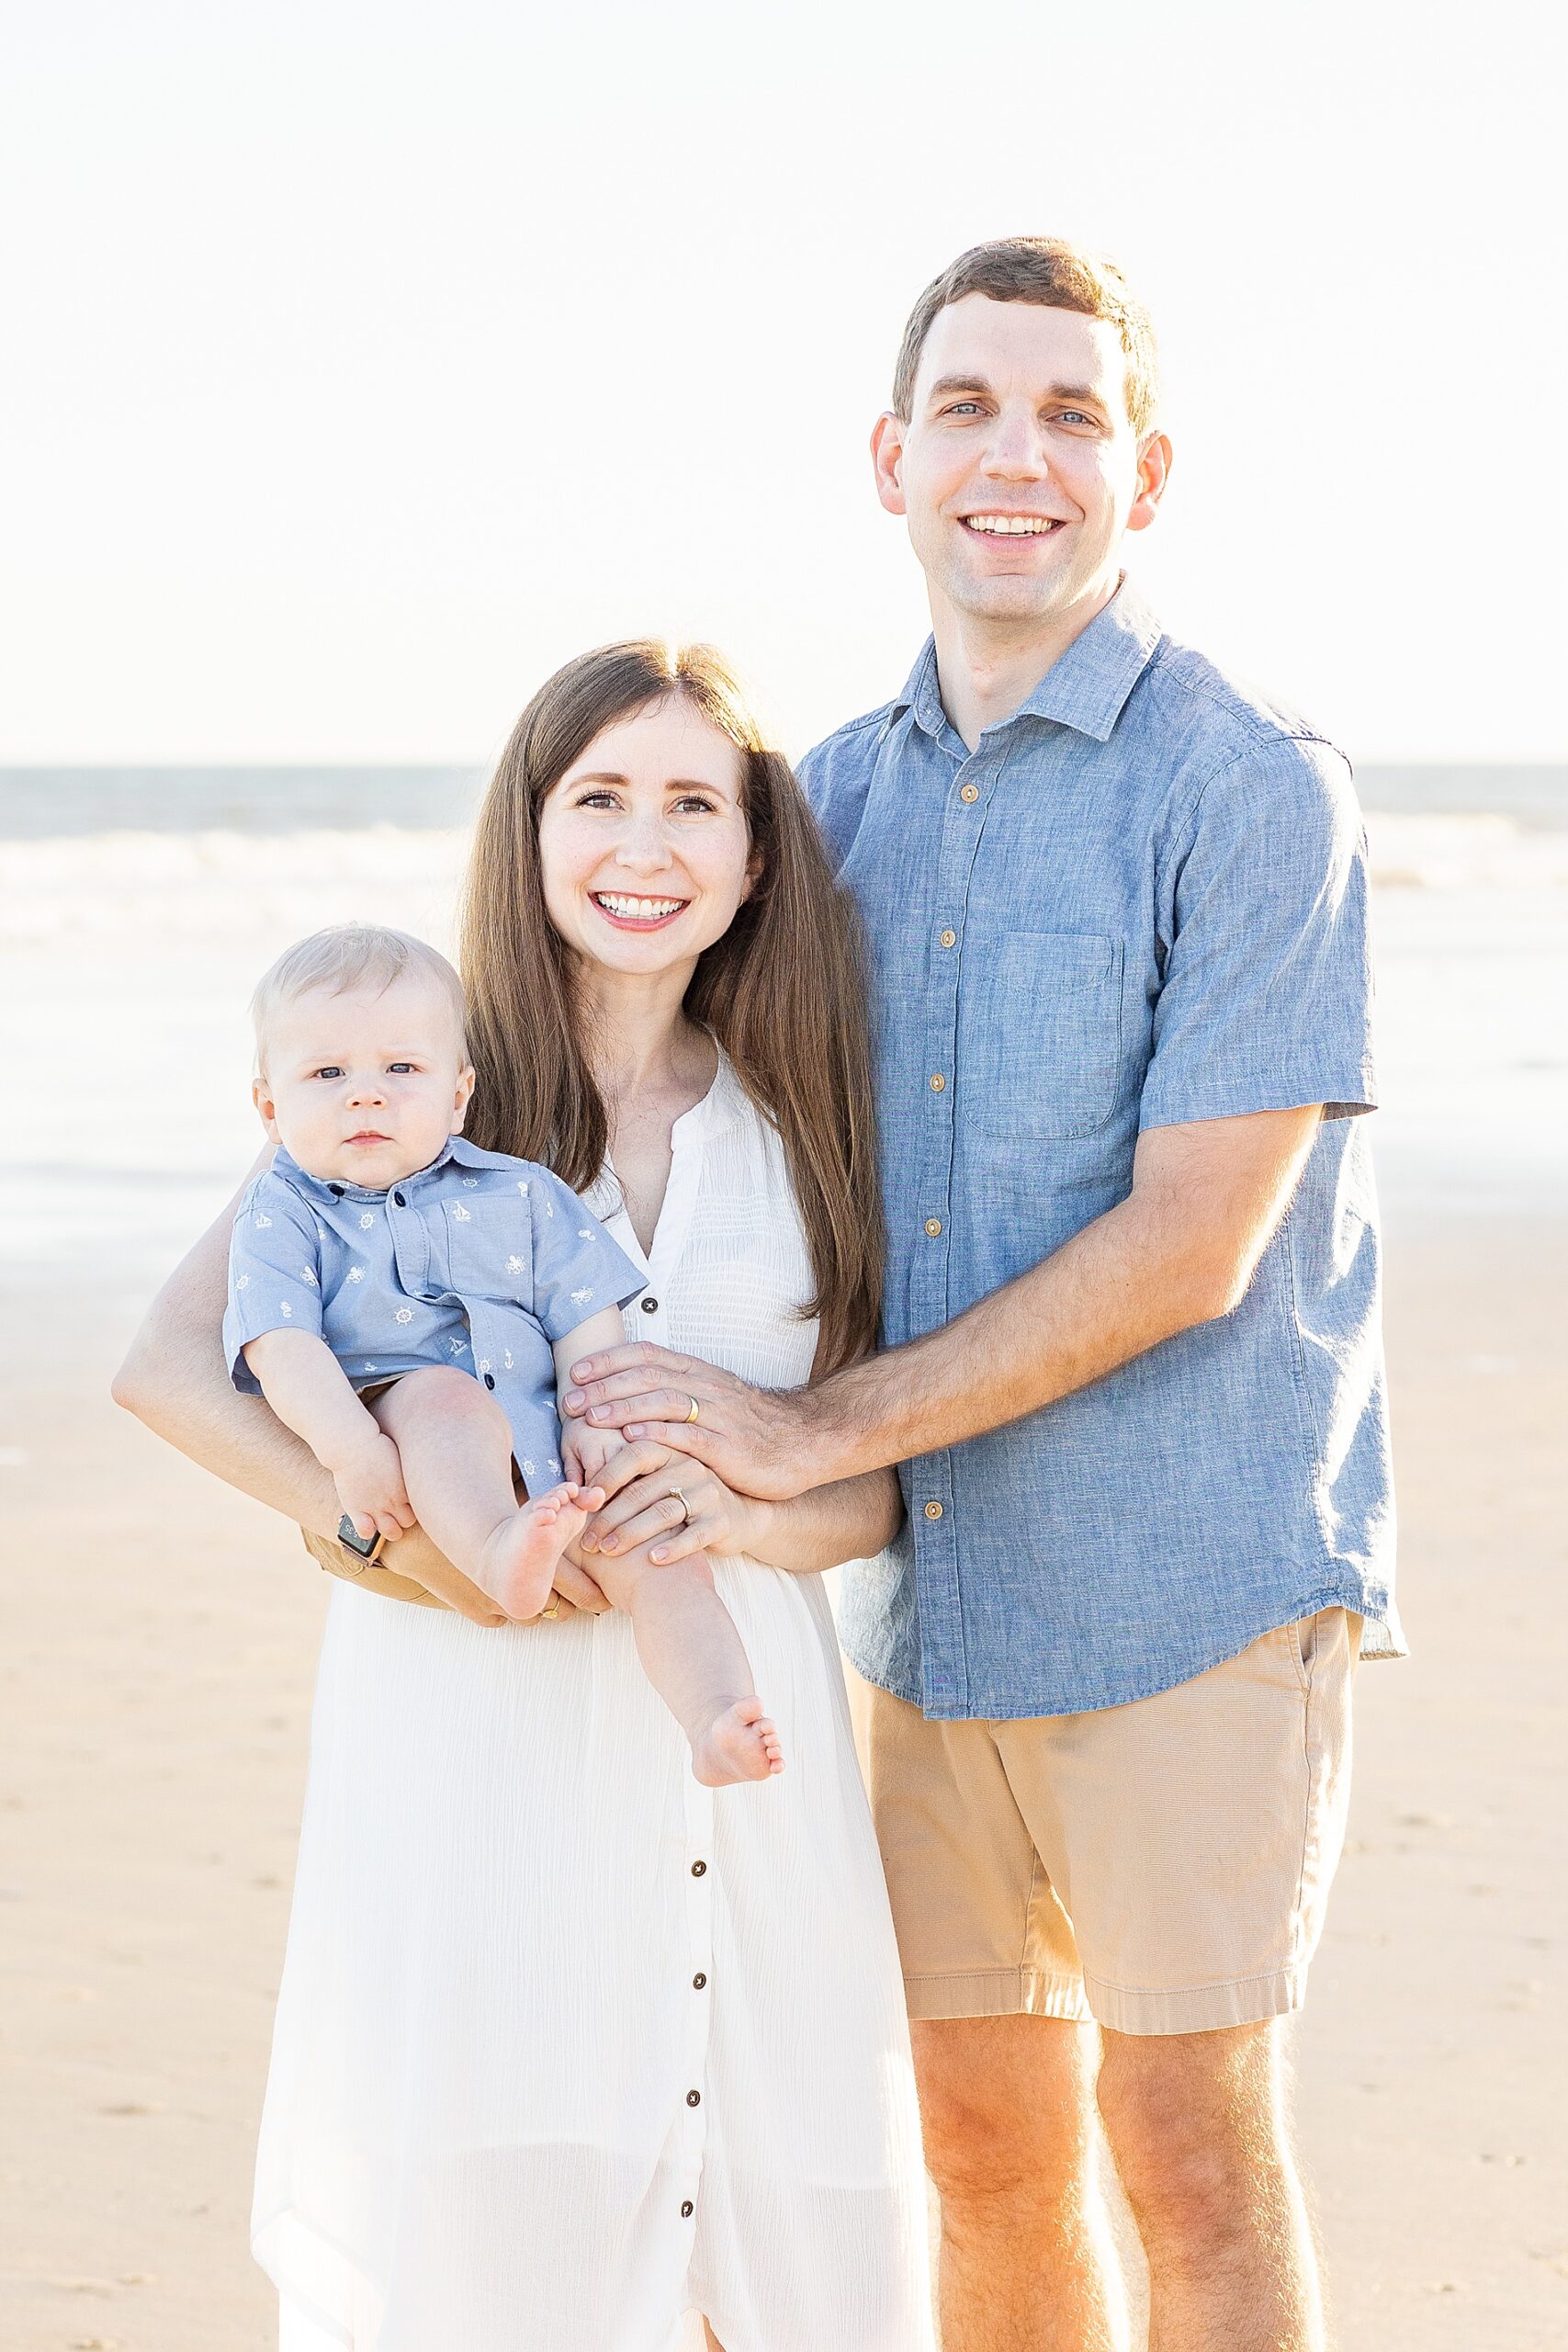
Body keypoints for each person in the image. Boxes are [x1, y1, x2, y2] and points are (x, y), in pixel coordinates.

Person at [563, 238, 1402, 2352]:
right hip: (920, 1604)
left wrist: (801, 1433)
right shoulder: (816, 805)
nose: (1009, 454)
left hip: (1187, 1581)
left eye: (1063, 412)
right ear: (887, 457)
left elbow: (1195, 1227)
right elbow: (645, 1100)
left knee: (1186, 2147)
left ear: (1145, 469)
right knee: (977, 2145)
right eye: (963, 406)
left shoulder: (1245, 783)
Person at [113, 642, 934, 2352]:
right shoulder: (406, 1072)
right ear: (531, 828)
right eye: (600, 799)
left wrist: (745, 1515)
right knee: (501, 2266)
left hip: (752, 1765)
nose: (646, 845)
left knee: (781, 2262)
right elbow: (175, 1367)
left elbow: (880, 1492)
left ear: (755, 852)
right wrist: (399, 1539)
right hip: (478, 1772)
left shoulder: (806, 1111)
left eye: (692, 804)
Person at [227, 922, 784, 1786]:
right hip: (411, 1421)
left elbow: (585, 1309)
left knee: (662, 1552)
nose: (365, 1097)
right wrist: (352, 1450)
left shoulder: (517, 1189)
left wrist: (590, 1420)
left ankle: (715, 1714)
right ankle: (496, 1552)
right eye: (327, 1074)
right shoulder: (284, 1210)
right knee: (443, 1401)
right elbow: (280, 1344)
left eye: (401, 1070)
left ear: (458, 1095)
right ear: (271, 1107)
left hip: (547, 1442)